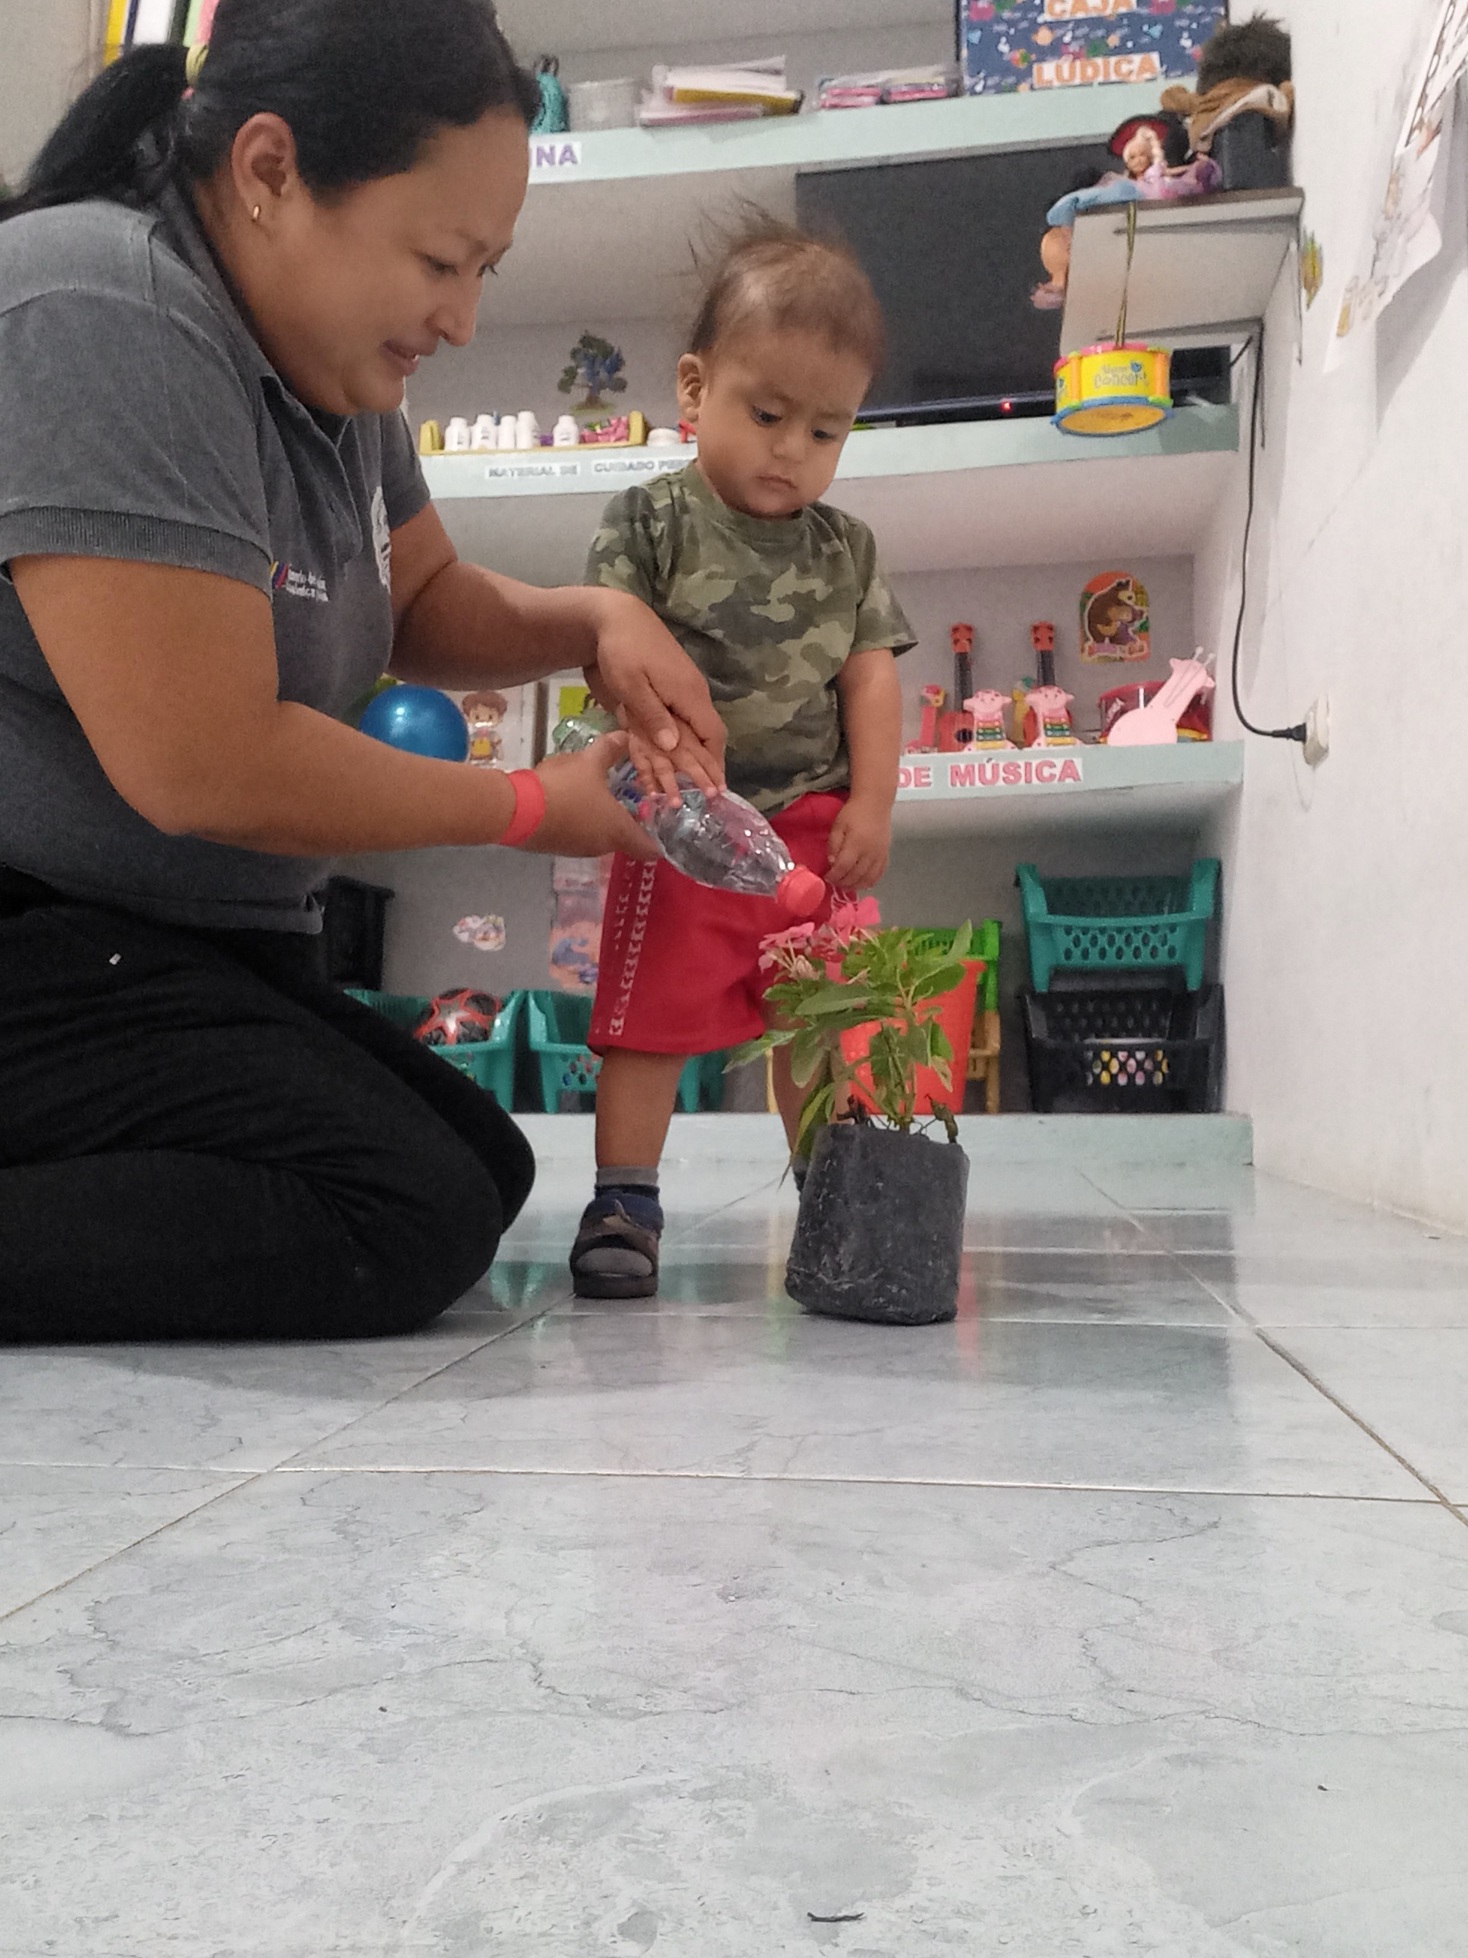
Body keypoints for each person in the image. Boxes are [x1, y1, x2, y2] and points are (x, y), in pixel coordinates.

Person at [0, 0, 726, 1343]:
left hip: (168, 937)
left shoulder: (330, 363)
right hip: (46, 933)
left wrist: (594, 619)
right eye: (439, 261)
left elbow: (421, 599)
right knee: (401, 1206)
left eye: (484, 270)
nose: (460, 317)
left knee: (482, 1162)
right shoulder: (101, 304)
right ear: (271, 171)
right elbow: (204, 761)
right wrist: (529, 806)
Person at [570, 220, 917, 1301]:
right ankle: (624, 1199)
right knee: (647, 1023)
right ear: (695, 387)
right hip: (682, 821)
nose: (791, 449)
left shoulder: (847, 548)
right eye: (767, 415)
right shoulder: (650, 520)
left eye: (825, 429)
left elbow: (869, 678)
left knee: (820, 1022)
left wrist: (873, 800)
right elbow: (608, 641)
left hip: (811, 826)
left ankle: (831, 1194)